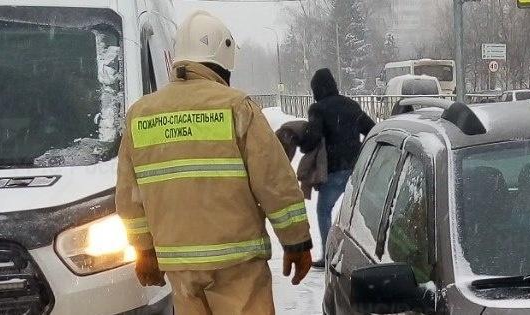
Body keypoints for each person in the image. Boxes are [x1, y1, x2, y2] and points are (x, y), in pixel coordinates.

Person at [116, 11, 312, 315]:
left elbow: (129, 197)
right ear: (222, 58)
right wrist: (297, 242)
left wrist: (144, 250)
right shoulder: (237, 107)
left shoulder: (140, 115)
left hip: (180, 269)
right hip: (237, 265)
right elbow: (275, 183)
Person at [301, 68, 375, 268]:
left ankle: (328, 256)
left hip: (333, 171)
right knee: (357, 213)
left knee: (323, 210)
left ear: (316, 89)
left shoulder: (318, 110)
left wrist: (303, 141)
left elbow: (312, 138)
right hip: (355, 170)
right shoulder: (351, 106)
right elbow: (371, 128)